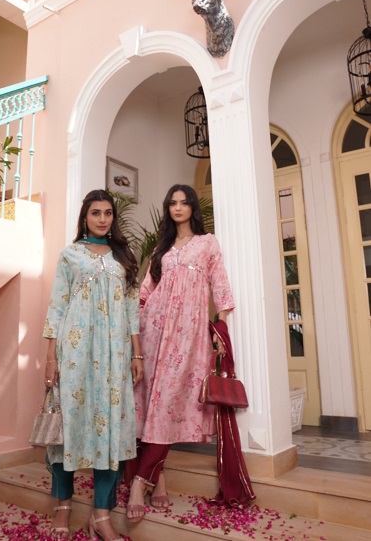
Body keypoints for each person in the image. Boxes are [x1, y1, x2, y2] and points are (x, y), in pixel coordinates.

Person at [126, 184, 254, 521]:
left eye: (184, 203)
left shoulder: (207, 243)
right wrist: (134, 334)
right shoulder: (162, 248)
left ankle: (140, 481)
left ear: (192, 208)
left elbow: (221, 286)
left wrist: (221, 326)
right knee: (151, 405)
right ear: (168, 208)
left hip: (188, 335)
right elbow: (145, 292)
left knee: (166, 403)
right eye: (173, 203)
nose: (178, 208)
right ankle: (158, 479)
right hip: (154, 333)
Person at [43, 189, 144, 541]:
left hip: (115, 355)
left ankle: (101, 514)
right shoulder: (70, 254)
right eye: (95, 213)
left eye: (108, 213)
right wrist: (51, 357)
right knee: (68, 427)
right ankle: (63, 506)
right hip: (75, 352)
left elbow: (132, 310)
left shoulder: (124, 257)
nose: (102, 219)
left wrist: (137, 354)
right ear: (85, 217)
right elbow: (57, 305)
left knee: (112, 430)